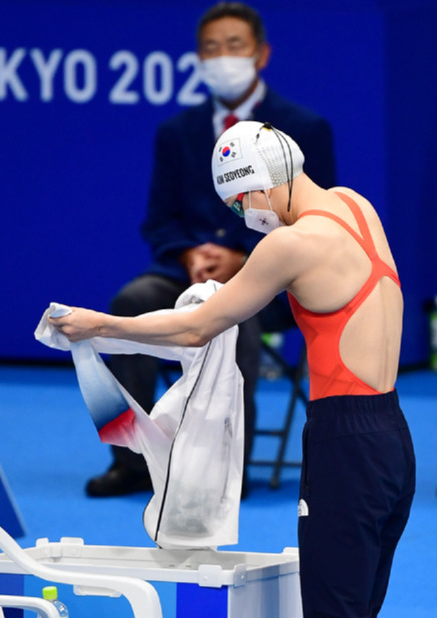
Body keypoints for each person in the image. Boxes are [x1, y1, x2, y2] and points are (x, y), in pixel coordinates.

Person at [50, 120, 416, 618]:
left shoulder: (288, 242)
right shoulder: (355, 206)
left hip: (344, 443)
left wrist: (100, 324)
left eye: (247, 195)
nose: (247, 210)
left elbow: (197, 332)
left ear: (267, 178)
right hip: (391, 436)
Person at [85, 1, 336, 499]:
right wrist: (189, 256)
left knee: (234, 319)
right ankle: (133, 461)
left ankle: (226, 470)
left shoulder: (302, 128)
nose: (222, 57)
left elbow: (316, 218)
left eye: (234, 46)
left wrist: (243, 256)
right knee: (132, 300)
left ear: (261, 54)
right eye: (210, 49)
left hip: (269, 278)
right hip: (188, 274)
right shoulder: (176, 133)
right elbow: (158, 220)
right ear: (198, 60)